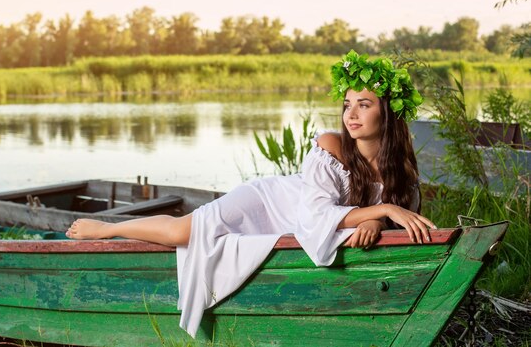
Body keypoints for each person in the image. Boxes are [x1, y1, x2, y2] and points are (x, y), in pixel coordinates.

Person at [65, 50, 436, 337]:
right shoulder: (331, 146)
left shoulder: (401, 171)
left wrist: (376, 219)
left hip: (304, 218)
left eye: (364, 105)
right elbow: (316, 216)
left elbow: (392, 218)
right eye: (346, 104)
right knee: (183, 232)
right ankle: (108, 228)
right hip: (270, 201)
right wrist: (379, 210)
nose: (350, 115)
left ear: (387, 113)